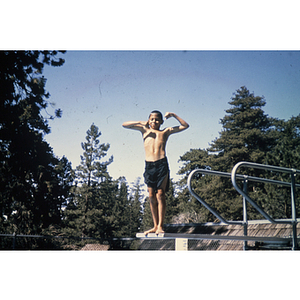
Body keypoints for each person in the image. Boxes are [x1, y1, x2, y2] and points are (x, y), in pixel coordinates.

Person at [122, 110, 189, 235]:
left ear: (161, 121)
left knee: (160, 194)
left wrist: (174, 115)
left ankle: (160, 226)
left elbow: (185, 126)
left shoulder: (165, 132)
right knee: (151, 195)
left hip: (161, 164)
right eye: (152, 119)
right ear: (149, 120)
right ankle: (154, 225)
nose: (154, 121)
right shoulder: (144, 131)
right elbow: (124, 124)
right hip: (149, 165)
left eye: (157, 119)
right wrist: (140, 122)